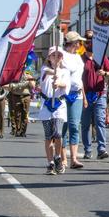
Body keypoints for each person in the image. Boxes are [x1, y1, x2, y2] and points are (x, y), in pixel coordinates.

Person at [38, 46, 70, 175]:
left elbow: (66, 85)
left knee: (57, 133)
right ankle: (50, 162)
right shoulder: (44, 69)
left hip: (59, 105)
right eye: (53, 55)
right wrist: (55, 74)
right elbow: (47, 73)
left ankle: (58, 156)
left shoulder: (65, 71)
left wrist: (59, 83)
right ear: (49, 58)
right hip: (46, 105)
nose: (56, 58)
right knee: (48, 135)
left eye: (59, 56)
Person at [81, 36, 109, 160]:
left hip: (100, 94)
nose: (90, 43)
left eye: (92, 41)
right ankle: (87, 150)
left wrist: (105, 73)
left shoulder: (101, 57)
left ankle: (101, 149)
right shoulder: (81, 59)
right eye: (88, 41)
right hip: (85, 94)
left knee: (100, 122)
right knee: (85, 124)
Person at [60, 32, 87, 169]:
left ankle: (74, 159)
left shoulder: (78, 57)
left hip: (77, 94)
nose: (80, 45)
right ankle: (63, 158)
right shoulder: (61, 56)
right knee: (63, 126)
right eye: (78, 42)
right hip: (64, 93)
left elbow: (79, 79)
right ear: (73, 42)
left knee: (74, 126)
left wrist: (84, 96)